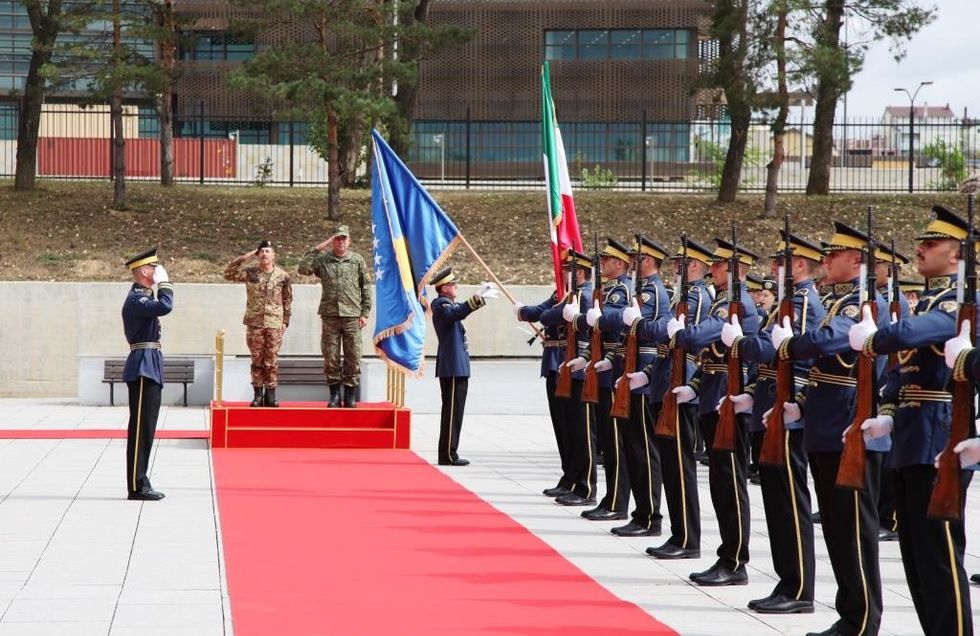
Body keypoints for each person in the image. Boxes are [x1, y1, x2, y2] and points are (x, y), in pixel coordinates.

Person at [850, 206, 974, 636]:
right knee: (916, 558)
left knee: (938, 556)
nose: (919, 249)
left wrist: (873, 339)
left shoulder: (958, 302)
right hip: (910, 434)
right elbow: (903, 369)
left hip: (938, 436)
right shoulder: (932, 300)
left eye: (932, 243)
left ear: (958, 254)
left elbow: (906, 338)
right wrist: (886, 412)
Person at [771, 221, 889, 636]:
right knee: (839, 531)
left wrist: (787, 344)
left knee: (855, 531)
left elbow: (827, 343)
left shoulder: (861, 304)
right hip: (825, 422)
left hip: (846, 423)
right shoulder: (839, 301)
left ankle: (862, 621)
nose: (825, 260)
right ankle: (849, 616)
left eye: (833, 255)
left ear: (856, 260)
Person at [721, 231, 825, 614]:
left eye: (781, 261)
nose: (773, 267)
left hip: (788, 411)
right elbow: (771, 356)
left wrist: (738, 343)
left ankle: (799, 589)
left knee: (789, 502)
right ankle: (787, 582)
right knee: (776, 499)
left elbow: (771, 347)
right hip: (770, 404)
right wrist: (751, 388)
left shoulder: (802, 301)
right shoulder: (787, 301)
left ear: (799, 265)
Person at [672, 238, 762, 586]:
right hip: (712, 395)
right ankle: (727, 554)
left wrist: (681, 332)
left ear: (738, 270)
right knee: (720, 482)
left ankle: (736, 561)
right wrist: (694, 385)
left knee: (730, 482)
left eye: (721, 265)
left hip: (729, 400)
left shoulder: (735, 306)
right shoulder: (722, 303)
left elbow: (698, 340)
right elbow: (710, 355)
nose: (714, 269)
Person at [563, 238, 632, 522]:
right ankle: (610, 498)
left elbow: (614, 323)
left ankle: (617, 501)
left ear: (620, 264)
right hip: (602, 369)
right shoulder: (608, 289)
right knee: (607, 438)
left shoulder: (623, 290)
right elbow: (597, 330)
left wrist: (590, 318)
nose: (601, 264)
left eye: (606, 260)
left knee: (615, 442)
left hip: (614, 371)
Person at [431, 267, 498, 466]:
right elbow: (457, 312)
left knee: (455, 411)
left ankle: (450, 452)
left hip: (456, 367)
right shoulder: (441, 304)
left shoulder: (447, 304)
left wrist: (479, 298)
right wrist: (477, 297)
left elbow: (460, 308)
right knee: (452, 412)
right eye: (452, 284)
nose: (456, 286)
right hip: (452, 367)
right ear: (443, 289)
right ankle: (448, 454)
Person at [298, 224, 371, 408]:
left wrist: (365, 313)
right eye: (337, 238)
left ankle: (350, 395)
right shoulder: (323, 261)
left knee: (353, 356)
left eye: (343, 238)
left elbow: (366, 287)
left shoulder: (357, 260)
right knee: (330, 357)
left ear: (349, 241)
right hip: (330, 316)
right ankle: (334, 395)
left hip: (352, 316)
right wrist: (320, 247)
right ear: (333, 241)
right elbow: (302, 268)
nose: (340, 242)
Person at [122, 248, 173, 501]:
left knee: (147, 427)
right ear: (144, 271)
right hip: (143, 364)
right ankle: (136, 484)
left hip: (149, 361)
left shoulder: (143, 297)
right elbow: (166, 306)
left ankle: (141, 480)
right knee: (141, 428)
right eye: (154, 267)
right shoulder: (136, 299)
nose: (157, 269)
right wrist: (165, 283)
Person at [224, 240, 293, 408]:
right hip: (255, 323)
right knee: (256, 360)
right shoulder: (251, 273)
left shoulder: (282, 276)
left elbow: (288, 299)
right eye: (261, 251)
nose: (264, 254)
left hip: (274, 324)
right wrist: (245, 256)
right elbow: (229, 273)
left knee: (271, 361)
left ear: (274, 255)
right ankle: (257, 395)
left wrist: (285, 321)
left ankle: (271, 395)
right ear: (257, 255)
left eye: (268, 251)